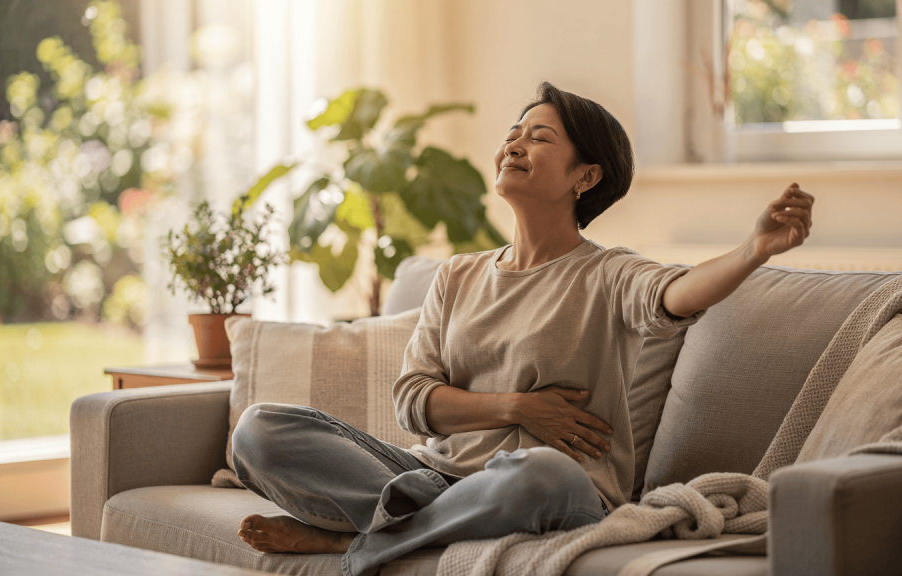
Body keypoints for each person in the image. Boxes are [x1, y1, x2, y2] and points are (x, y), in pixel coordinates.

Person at [230, 82, 814, 576]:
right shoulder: (457, 275)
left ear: (584, 178)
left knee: (544, 472)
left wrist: (753, 249)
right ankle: (416, 526)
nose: (516, 142)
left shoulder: (607, 273)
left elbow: (675, 293)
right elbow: (413, 401)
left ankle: (353, 545)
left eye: (540, 136)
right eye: (515, 131)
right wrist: (518, 409)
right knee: (259, 430)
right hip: (437, 477)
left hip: (553, 489)